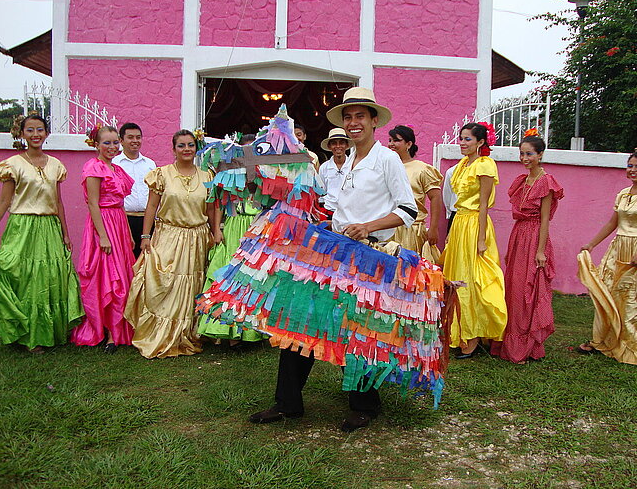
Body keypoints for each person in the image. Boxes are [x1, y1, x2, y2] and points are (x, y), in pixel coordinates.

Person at [249, 87, 417, 432]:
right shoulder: (342, 162)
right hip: (331, 249)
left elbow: (408, 209)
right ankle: (287, 402)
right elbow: (339, 206)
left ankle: (365, 405)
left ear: (374, 121)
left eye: (360, 116)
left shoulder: (386, 160)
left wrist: (367, 226)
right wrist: (328, 221)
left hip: (368, 255)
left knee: (358, 330)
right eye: (348, 117)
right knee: (302, 318)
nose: (353, 123)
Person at [124, 129, 219, 359]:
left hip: (196, 237)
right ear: (173, 149)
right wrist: (145, 237)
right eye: (181, 145)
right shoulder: (162, 174)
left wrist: (216, 232)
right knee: (164, 281)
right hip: (168, 234)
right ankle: (160, 334)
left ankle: (185, 334)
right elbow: (151, 208)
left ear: (196, 148)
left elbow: (211, 208)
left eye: (191, 145)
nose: (187, 149)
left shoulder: (207, 176)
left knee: (190, 287)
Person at [0, 115, 84, 352]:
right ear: (22, 133)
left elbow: (58, 202)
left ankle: (44, 333)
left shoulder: (56, 165)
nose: (35, 134)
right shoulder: (13, 164)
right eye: (30, 130)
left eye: (40, 130)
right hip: (22, 227)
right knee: (19, 275)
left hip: (49, 228)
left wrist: (66, 233)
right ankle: (21, 330)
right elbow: (5, 201)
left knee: (46, 280)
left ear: (46, 134)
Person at [576, 148, 637, 365]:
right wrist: (592, 244)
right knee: (611, 294)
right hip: (620, 248)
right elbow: (613, 223)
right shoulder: (623, 194)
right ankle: (607, 340)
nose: (633, 170)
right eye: (630, 166)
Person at [490, 130, 563, 364]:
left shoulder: (547, 182)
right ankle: (510, 338)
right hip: (519, 234)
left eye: (529, 154)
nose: (525, 158)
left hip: (534, 237)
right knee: (513, 286)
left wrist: (541, 251)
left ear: (540, 155)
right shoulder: (522, 181)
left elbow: (544, 220)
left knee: (528, 290)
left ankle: (528, 343)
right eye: (522, 154)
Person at [443, 122, 507, 358]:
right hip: (460, 223)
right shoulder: (461, 165)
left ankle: (473, 334)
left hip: (475, 226)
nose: (462, 142)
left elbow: (483, 206)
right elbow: (455, 202)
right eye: (461, 138)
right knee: (456, 275)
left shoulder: (485, 165)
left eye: (468, 139)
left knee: (473, 277)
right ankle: (457, 332)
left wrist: (481, 239)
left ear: (481, 142)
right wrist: (451, 231)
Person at [71, 125, 135, 353]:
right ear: (96, 144)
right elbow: (92, 204)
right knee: (108, 277)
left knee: (123, 275)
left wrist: (126, 232)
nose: (112, 147)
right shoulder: (94, 168)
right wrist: (104, 236)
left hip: (118, 223)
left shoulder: (116, 169)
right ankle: (108, 332)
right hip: (103, 225)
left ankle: (120, 329)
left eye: (115, 142)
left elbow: (120, 204)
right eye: (106, 143)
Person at [197, 133, 264, 345]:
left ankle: (251, 331)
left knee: (254, 278)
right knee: (231, 276)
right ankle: (228, 329)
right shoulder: (230, 174)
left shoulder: (264, 174)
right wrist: (217, 229)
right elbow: (219, 204)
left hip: (257, 227)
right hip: (235, 226)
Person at [387, 125, 443, 263]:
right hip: (387, 227)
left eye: (396, 140)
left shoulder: (422, 169)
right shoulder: (385, 166)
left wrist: (434, 228)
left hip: (410, 230)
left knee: (409, 273)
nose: (391, 144)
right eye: (390, 140)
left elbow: (435, 197)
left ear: (409, 144)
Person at [113, 122, 156, 259]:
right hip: (124, 220)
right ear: (121, 141)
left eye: (138, 137)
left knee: (146, 261)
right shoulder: (114, 163)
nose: (135, 141)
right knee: (124, 260)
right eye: (130, 137)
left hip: (147, 221)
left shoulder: (150, 164)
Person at [318, 128, 353, 213]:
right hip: (329, 210)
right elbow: (321, 191)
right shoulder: (324, 167)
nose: (338, 146)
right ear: (329, 147)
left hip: (350, 211)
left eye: (341, 143)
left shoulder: (353, 165)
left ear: (347, 145)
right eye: (334, 143)